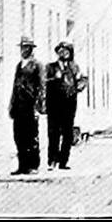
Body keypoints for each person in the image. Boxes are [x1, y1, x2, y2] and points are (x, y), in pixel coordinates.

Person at [46, 40, 87, 170]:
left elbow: (82, 80)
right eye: (61, 50)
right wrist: (54, 79)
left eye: (66, 51)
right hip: (54, 104)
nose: (63, 53)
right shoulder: (50, 67)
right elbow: (43, 82)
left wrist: (77, 87)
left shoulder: (74, 67)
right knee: (53, 133)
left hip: (69, 104)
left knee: (67, 133)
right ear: (57, 52)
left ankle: (63, 161)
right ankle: (52, 160)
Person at [9, 36, 44, 175]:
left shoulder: (36, 65)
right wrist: (11, 105)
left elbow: (41, 86)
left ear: (31, 49)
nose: (24, 50)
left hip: (30, 104)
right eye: (22, 48)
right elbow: (15, 86)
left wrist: (38, 105)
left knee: (31, 135)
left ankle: (33, 165)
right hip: (19, 106)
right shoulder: (19, 65)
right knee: (19, 136)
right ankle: (22, 165)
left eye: (26, 48)